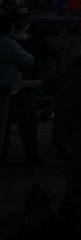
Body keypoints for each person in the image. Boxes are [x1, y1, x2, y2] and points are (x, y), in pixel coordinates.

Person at [0, 13, 39, 164]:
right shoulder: (8, 44)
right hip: (11, 86)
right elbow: (28, 61)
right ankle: (31, 153)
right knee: (26, 118)